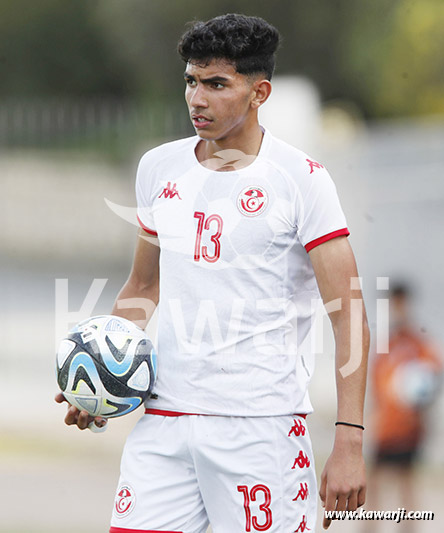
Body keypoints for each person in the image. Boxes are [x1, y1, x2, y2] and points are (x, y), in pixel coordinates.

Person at [56, 13, 369, 532]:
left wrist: (350, 440)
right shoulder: (159, 167)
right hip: (165, 421)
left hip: (259, 429)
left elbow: (348, 313)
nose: (196, 99)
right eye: (191, 81)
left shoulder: (302, 180)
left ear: (259, 92)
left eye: (216, 84)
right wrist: (101, 382)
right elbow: (144, 287)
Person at [366, 283, 441, 531]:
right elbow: (376, 387)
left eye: (400, 303)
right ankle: (370, 527)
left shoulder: (417, 343)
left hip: (408, 427)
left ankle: (408, 527)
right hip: (385, 426)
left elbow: (433, 377)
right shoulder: (385, 345)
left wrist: (422, 413)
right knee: (373, 482)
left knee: (405, 482)